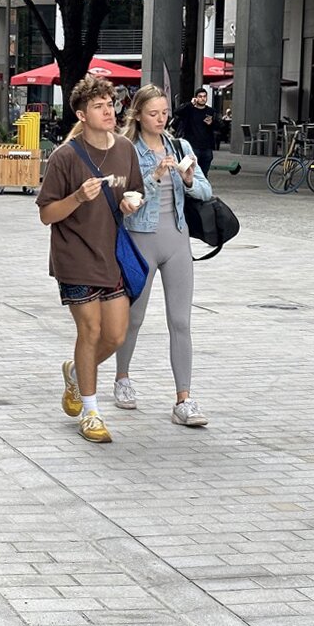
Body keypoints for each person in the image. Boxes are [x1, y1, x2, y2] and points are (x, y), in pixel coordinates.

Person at [36, 75, 144, 443]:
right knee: (91, 330)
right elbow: (47, 214)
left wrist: (132, 204)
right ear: (82, 115)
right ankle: (91, 411)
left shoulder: (126, 149)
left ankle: (74, 374)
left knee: (115, 335)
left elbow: (135, 193)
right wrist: (79, 198)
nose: (108, 111)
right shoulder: (65, 157)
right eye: (98, 106)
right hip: (74, 256)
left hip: (110, 255)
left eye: (110, 104)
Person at [113, 85, 213, 428]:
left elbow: (206, 189)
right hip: (141, 239)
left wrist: (187, 179)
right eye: (153, 113)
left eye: (165, 113)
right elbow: (127, 199)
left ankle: (183, 399)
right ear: (138, 114)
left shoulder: (179, 146)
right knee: (134, 317)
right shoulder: (126, 149)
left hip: (177, 239)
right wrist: (155, 177)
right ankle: (122, 377)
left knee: (181, 321)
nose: (160, 119)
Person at [173, 88, 216, 176]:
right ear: (195, 98)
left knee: (204, 173)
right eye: (200, 96)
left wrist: (212, 123)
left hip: (206, 146)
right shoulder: (190, 110)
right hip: (192, 146)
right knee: (190, 172)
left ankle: (202, 188)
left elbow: (220, 127)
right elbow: (177, 112)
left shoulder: (210, 111)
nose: (202, 98)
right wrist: (190, 104)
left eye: (204, 96)